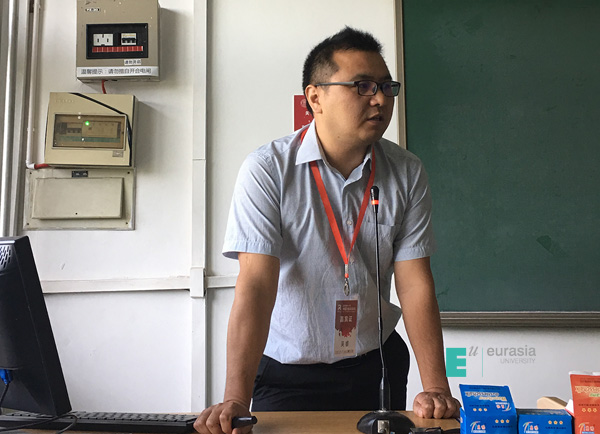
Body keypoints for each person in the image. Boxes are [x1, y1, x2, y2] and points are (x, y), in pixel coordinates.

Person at [194, 27, 461, 434]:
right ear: (314, 98)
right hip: (288, 372)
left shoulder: (406, 172)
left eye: (386, 87)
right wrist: (235, 399)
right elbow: (256, 286)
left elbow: (414, 282)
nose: (379, 99)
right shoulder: (268, 171)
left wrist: (437, 387)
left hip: (377, 364)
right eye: (362, 86)